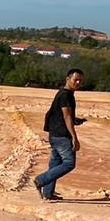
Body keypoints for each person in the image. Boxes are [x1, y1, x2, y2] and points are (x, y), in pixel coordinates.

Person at [33, 68, 85, 201]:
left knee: (56, 163)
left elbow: (64, 116)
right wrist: (74, 137)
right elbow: (66, 116)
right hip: (62, 135)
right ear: (67, 79)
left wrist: (76, 120)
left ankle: (48, 193)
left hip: (55, 134)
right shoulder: (65, 95)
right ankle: (41, 180)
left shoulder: (65, 94)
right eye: (75, 79)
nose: (78, 82)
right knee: (69, 163)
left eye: (80, 80)